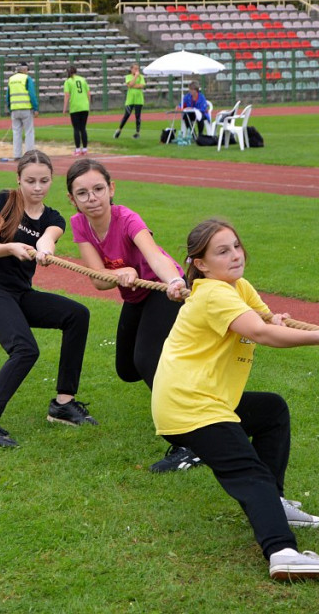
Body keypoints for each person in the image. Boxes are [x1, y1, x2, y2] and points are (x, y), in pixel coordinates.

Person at [152, 218, 319, 581]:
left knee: (271, 410)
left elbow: (264, 318)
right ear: (200, 264)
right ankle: (282, 551)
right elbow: (261, 332)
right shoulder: (213, 293)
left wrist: (277, 319)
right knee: (249, 473)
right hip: (190, 404)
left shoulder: (236, 287)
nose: (234, 255)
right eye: (222, 251)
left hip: (205, 396)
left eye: (236, 246)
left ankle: (273, 504)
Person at [66, 158, 200, 473]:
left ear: (111, 189)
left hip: (161, 290)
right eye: (82, 193)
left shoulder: (127, 219)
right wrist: (121, 272)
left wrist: (175, 283)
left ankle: (190, 442)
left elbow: (154, 255)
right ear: (72, 199)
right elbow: (98, 280)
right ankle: (184, 373)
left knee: (146, 360)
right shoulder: (79, 224)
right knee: (127, 369)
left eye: (98, 189)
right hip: (135, 295)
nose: (92, 198)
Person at [0, 150, 94, 448]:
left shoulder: (53, 217)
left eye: (44, 181)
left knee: (77, 315)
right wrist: (12, 248)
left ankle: (63, 403)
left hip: (20, 294)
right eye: (31, 181)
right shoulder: (5, 200)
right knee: (25, 349)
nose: (37, 187)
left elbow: (49, 236)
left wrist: (45, 247)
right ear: (18, 179)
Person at [6, 62, 39, 160]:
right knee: (29, 132)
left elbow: (8, 95)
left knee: (16, 132)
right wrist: (35, 108)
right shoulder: (27, 79)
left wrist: (9, 108)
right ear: (25, 69)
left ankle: (17, 155)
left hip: (14, 109)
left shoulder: (11, 79)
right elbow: (32, 94)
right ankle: (29, 155)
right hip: (26, 108)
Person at [62, 65, 92, 156]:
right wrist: (88, 105)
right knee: (83, 128)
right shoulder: (83, 79)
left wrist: (64, 108)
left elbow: (67, 95)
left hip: (75, 107)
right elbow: (89, 93)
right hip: (84, 106)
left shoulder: (68, 81)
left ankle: (78, 149)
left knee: (76, 128)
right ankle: (85, 149)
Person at [113, 63, 145, 139]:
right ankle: (119, 130)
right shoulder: (128, 77)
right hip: (130, 100)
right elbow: (130, 85)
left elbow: (142, 85)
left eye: (138, 69)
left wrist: (134, 85)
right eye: (135, 69)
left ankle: (137, 133)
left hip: (139, 99)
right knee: (126, 115)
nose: (137, 70)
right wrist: (135, 78)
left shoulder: (141, 77)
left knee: (138, 116)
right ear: (131, 69)